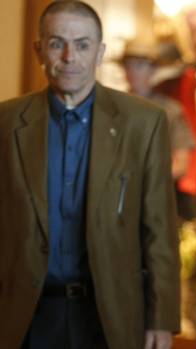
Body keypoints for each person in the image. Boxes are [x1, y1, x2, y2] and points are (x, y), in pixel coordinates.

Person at [0, 1, 180, 348]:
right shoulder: (6, 123)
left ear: (99, 52)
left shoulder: (143, 123)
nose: (70, 57)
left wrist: (162, 319)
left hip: (107, 313)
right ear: (39, 49)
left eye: (82, 45)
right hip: (24, 313)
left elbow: (159, 229)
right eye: (57, 43)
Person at [121, 37, 196, 181]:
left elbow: (181, 164)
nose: (132, 71)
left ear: (153, 69)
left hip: (154, 190)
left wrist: (147, 180)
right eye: (128, 65)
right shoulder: (113, 106)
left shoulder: (171, 110)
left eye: (140, 65)